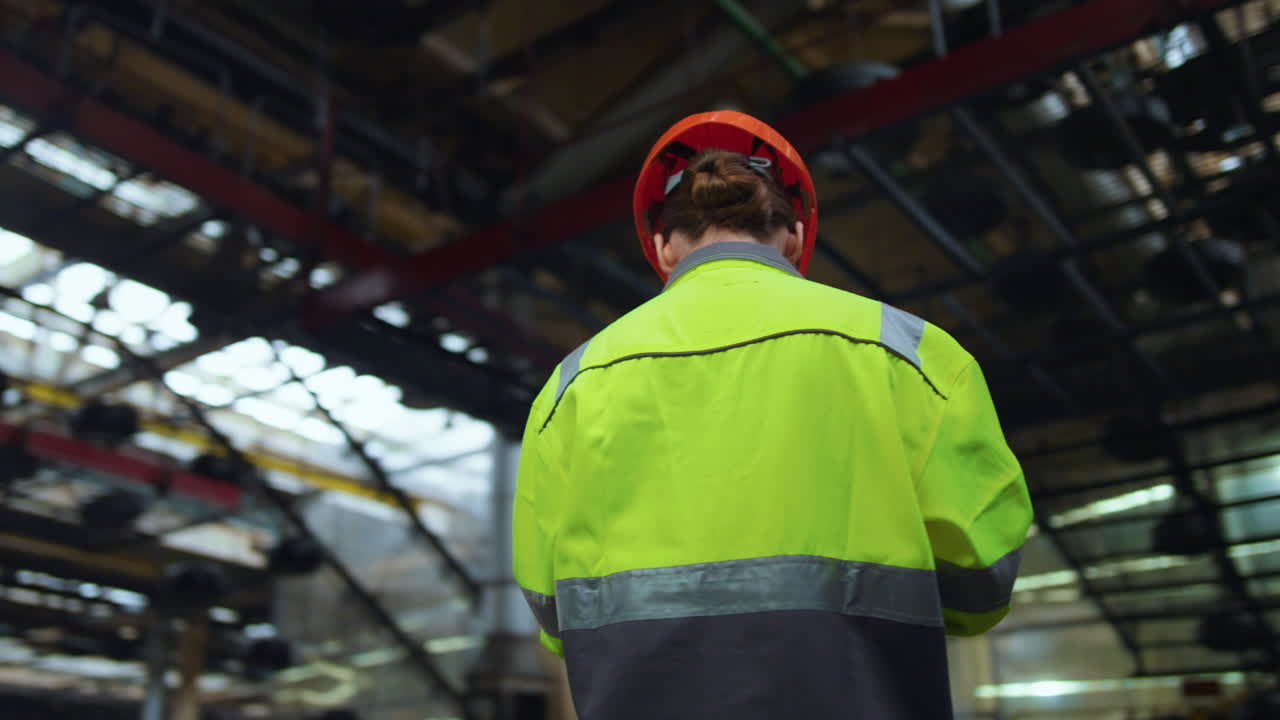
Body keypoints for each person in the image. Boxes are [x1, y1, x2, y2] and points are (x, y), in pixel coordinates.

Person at [513, 111, 1032, 719]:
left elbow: (553, 615)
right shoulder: (911, 354)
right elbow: (982, 582)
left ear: (662, 246)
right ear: (793, 238)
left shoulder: (572, 386)